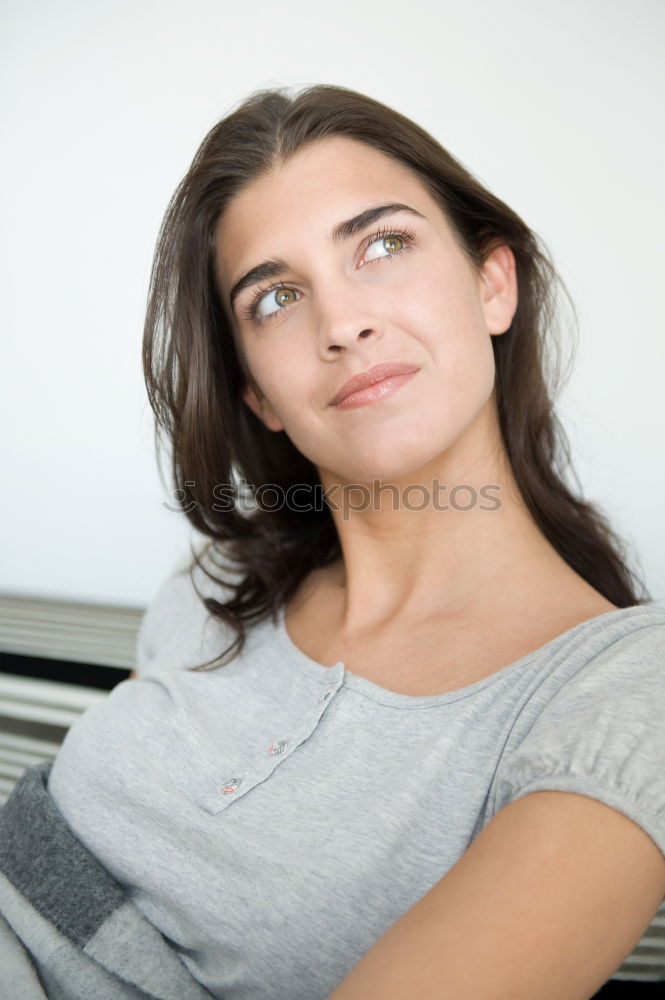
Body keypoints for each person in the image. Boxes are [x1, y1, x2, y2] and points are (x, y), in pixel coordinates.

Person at [45, 85, 665, 998]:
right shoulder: (215, 586)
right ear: (256, 391)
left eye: (382, 246)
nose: (342, 326)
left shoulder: (620, 697)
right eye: (276, 297)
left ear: (492, 283)